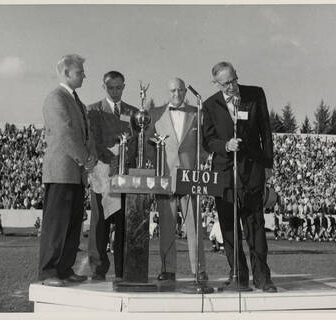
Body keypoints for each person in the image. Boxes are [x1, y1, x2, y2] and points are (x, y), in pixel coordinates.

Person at [202, 61, 276, 292]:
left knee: (255, 225)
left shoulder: (255, 94)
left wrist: (268, 165)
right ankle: (238, 276)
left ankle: (263, 277)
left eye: (234, 80)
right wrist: (225, 144)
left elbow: (266, 131)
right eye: (226, 83)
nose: (232, 86)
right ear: (216, 83)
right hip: (224, 173)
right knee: (229, 228)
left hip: (253, 171)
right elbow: (207, 140)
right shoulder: (209, 105)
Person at [38, 54, 96, 287]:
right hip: (62, 171)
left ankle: (64, 268)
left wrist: (90, 158)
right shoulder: (55, 98)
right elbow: (64, 134)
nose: (84, 75)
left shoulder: (77, 101)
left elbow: (85, 134)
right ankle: (48, 271)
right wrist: (85, 159)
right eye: (80, 72)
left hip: (76, 173)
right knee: (57, 223)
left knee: (72, 223)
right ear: (66, 73)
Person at [144, 77, 208, 281]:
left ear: (185, 91)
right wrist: (157, 168)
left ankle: (199, 270)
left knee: (194, 226)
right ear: (168, 92)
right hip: (165, 176)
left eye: (180, 90)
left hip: (191, 176)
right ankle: (168, 269)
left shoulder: (197, 113)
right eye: (173, 91)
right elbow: (147, 145)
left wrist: (197, 164)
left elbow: (204, 144)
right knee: (166, 225)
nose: (177, 94)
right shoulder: (155, 114)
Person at [87, 71, 138, 281]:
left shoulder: (133, 112)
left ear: (124, 86)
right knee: (100, 224)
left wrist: (126, 158)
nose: (115, 92)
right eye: (111, 88)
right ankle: (98, 269)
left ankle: (122, 268)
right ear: (104, 87)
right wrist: (109, 154)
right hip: (102, 174)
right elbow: (92, 140)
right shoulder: (93, 110)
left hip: (125, 175)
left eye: (119, 87)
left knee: (124, 225)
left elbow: (137, 143)